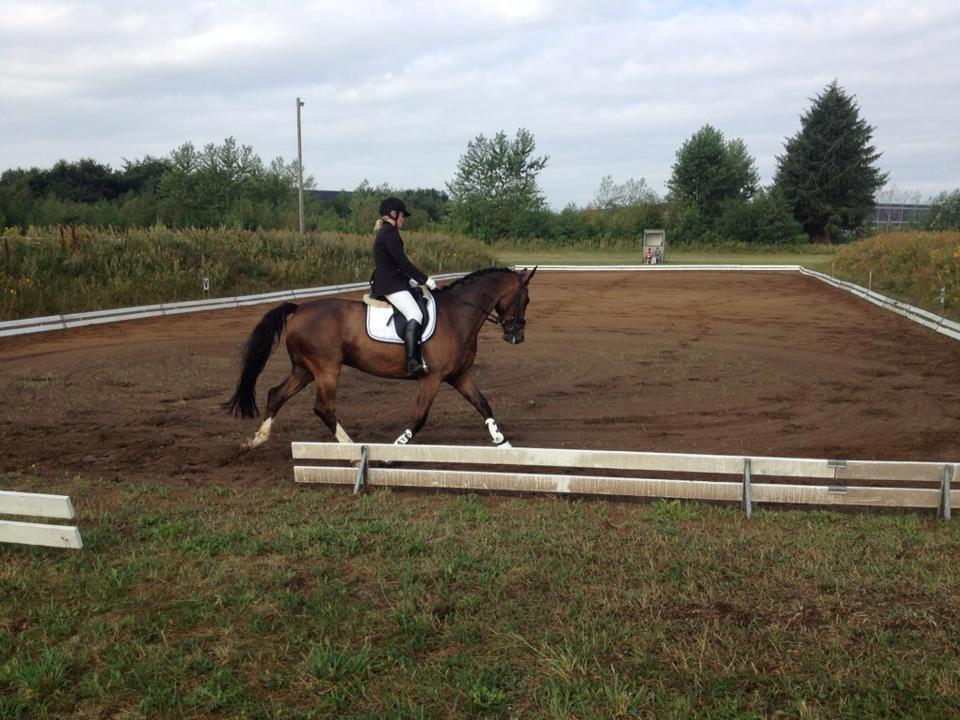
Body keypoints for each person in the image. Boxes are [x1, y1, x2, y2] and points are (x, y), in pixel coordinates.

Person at [371, 197, 438, 378]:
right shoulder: (389, 232)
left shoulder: (386, 231)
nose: (404, 219)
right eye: (403, 216)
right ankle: (411, 362)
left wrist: (409, 281)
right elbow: (403, 262)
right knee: (415, 314)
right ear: (394, 214)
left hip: (393, 280)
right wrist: (425, 279)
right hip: (390, 285)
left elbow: (395, 264)